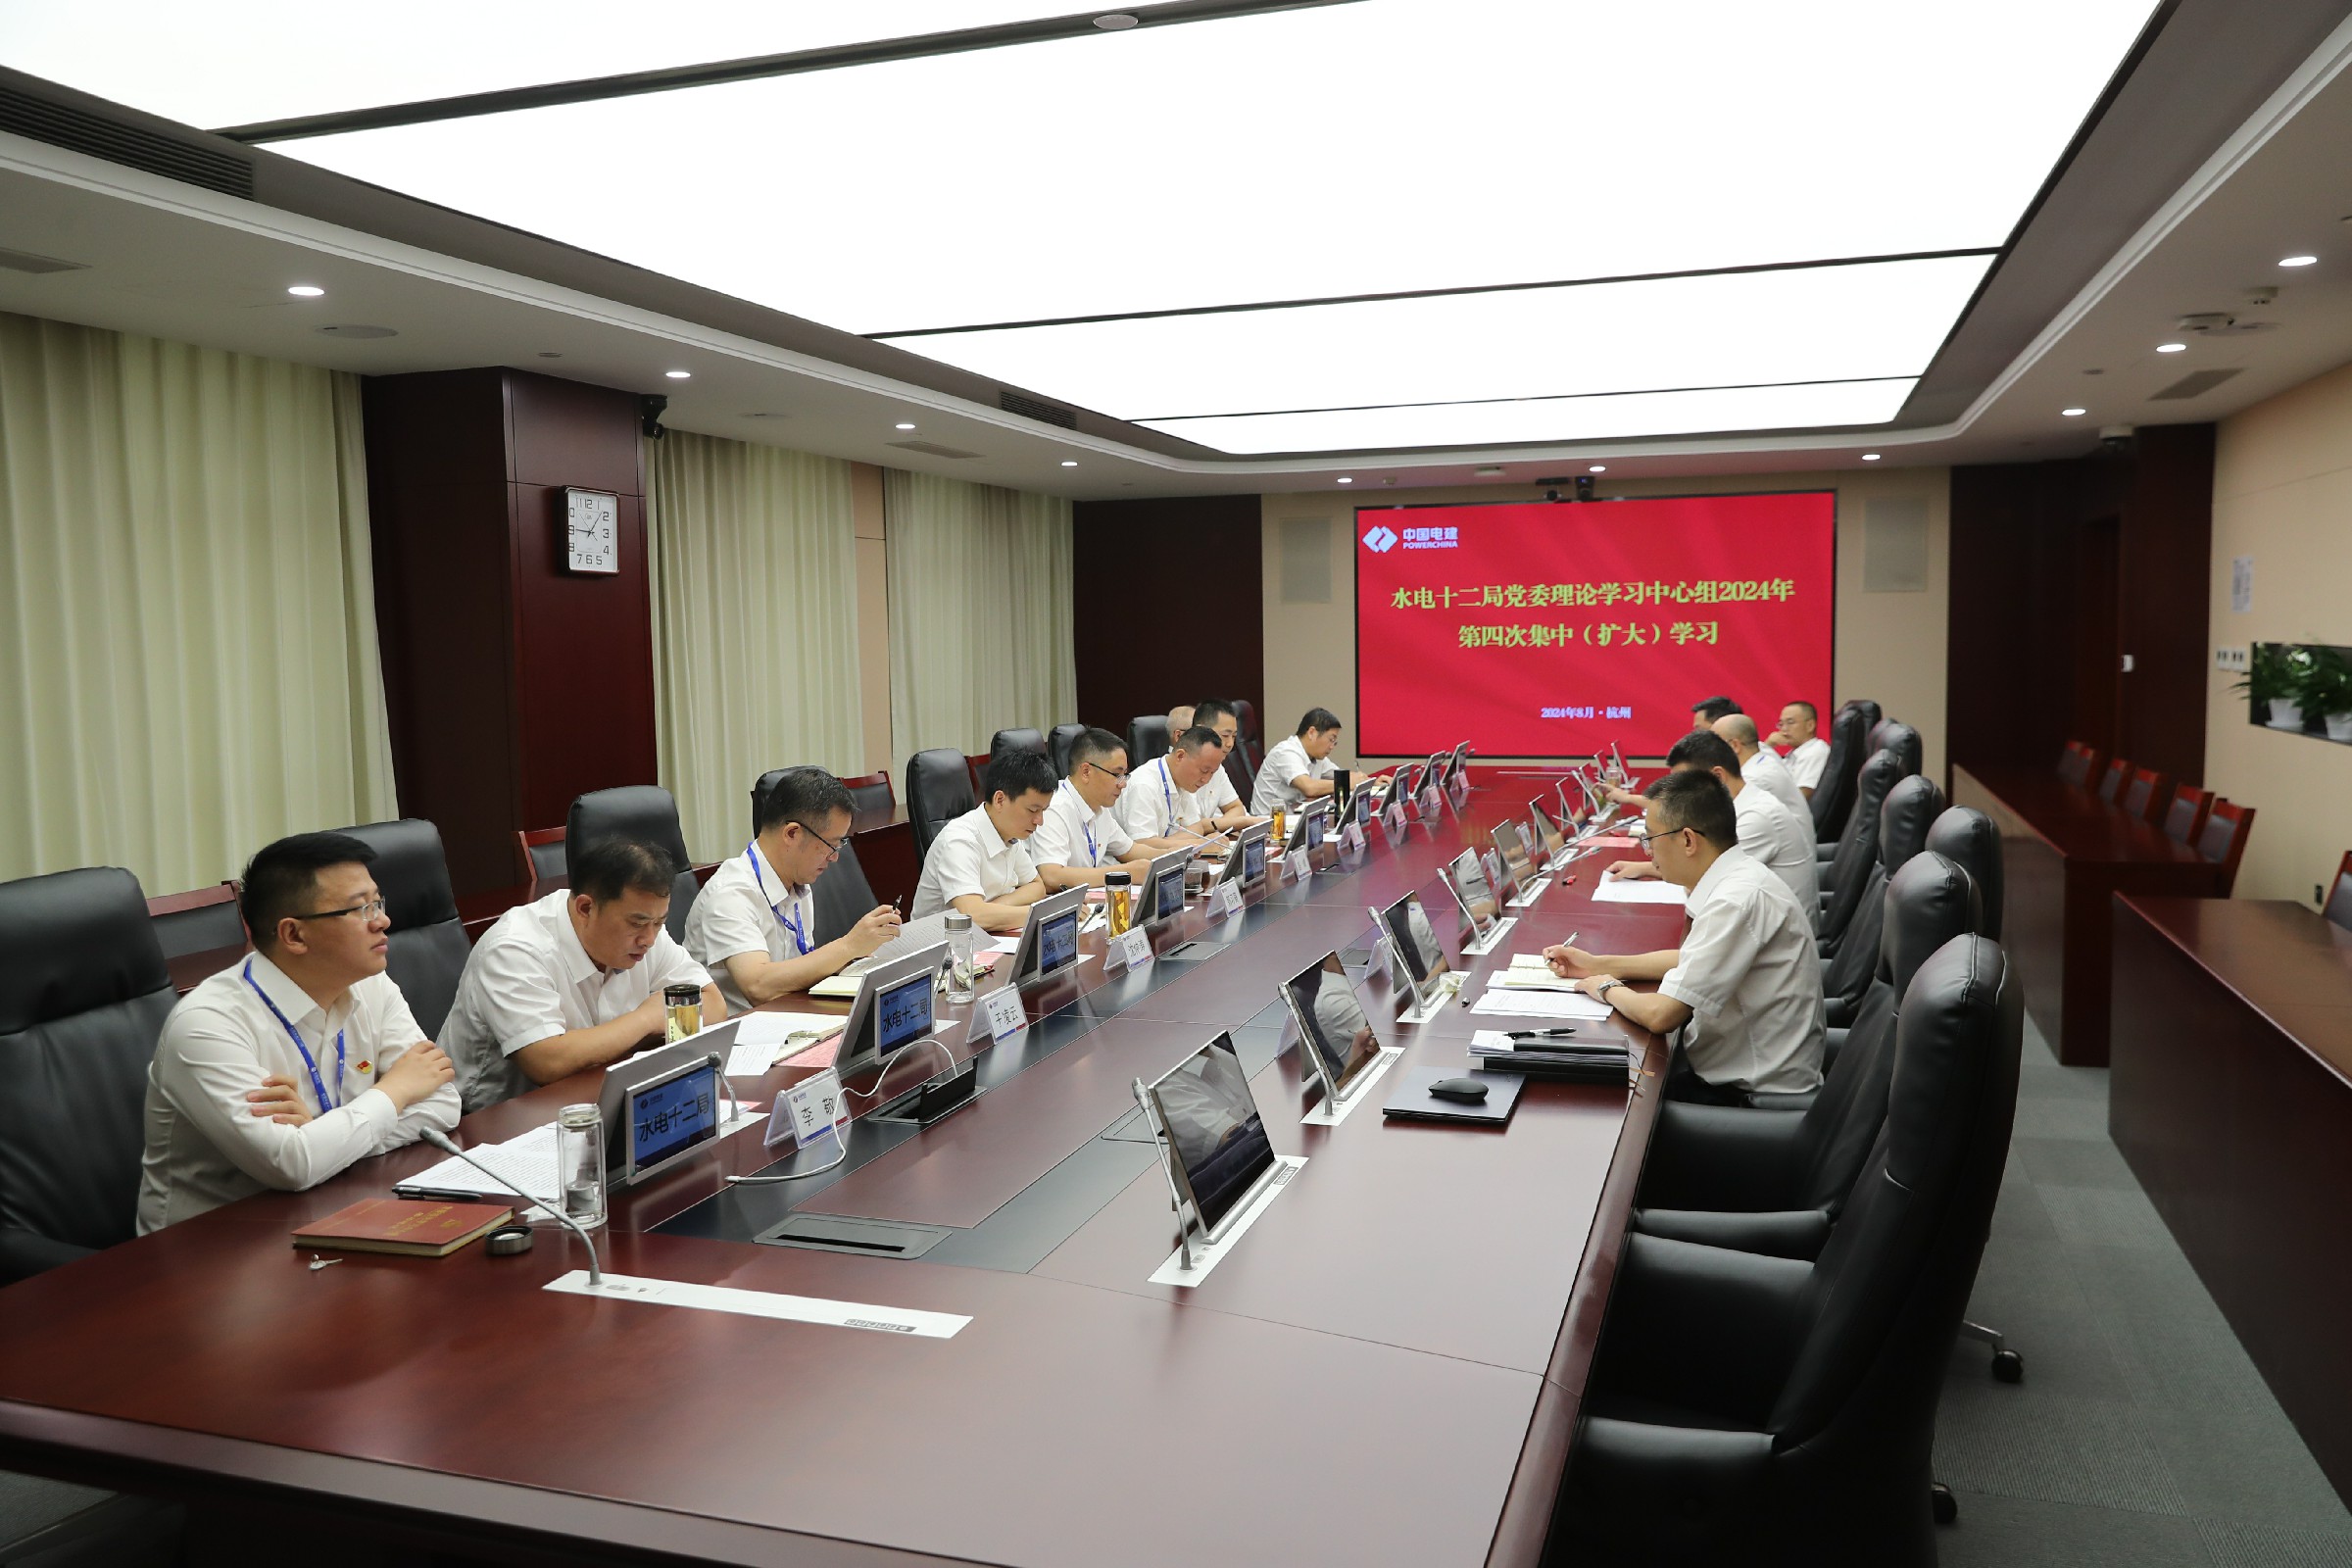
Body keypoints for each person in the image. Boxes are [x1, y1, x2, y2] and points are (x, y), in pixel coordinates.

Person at [137, 832, 461, 1232]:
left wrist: (324, 1137)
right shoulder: (207, 1025)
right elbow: (290, 1165)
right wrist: (394, 1091)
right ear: (293, 935)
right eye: (360, 909)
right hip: (215, 1245)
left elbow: (443, 1103)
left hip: (332, 1211)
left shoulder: (370, 983)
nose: (382, 921)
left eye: (378, 902)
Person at [1544, 770, 1824, 1103]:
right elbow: (1691, 957)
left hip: (1751, 1095)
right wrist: (1597, 964)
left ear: (1688, 840)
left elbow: (1661, 1015)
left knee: (1597, 1098)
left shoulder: (1734, 900)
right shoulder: (1739, 877)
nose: (1648, 852)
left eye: (1650, 838)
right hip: (1738, 1071)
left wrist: (1604, 987)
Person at [443, 839, 723, 1112]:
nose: (649, 939)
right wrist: (648, 1018)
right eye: (637, 924)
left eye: (659, 922)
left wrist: (640, 1027)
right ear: (585, 908)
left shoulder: (647, 930)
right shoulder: (514, 948)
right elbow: (546, 1061)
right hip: (492, 1118)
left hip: (597, 1095)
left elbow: (713, 1005)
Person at [686, 766, 902, 1011]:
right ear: (792, 833)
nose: (834, 858)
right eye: (831, 845)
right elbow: (758, 987)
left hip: (791, 1014)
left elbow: (798, 969)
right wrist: (848, 946)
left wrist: (848, 960)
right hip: (744, 1029)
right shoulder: (730, 893)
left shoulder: (797, 881)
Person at [1602, 730, 1817, 912]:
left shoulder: (1756, 818)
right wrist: (1646, 868)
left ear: (1717, 777)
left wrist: (1652, 867)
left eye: (1684, 786)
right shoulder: (1740, 803)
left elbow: (1706, 880)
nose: (1676, 797)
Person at [910, 749, 1054, 930]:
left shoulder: (1009, 832)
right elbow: (973, 917)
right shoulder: (959, 841)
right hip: (937, 943)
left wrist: (994, 907)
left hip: (983, 937)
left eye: (1043, 811)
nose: (1039, 821)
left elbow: (1037, 887)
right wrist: (1043, 914)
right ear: (1000, 800)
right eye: (1033, 810)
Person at [1029, 728, 1157, 889]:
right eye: (1117, 775)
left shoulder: (1099, 807)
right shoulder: (1054, 807)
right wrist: (1125, 873)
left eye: (1125, 774)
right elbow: (1051, 876)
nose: (1123, 784)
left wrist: (1178, 854)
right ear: (1086, 772)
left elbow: (1131, 850)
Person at [1116, 725, 1231, 847]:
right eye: (1204, 771)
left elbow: (1196, 828)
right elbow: (1143, 844)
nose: (1206, 780)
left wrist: (1166, 843)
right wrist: (1201, 845)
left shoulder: (1183, 780)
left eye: (1212, 773)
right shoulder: (1144, 785)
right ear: (1180, 756)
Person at [1713, 712, 1808, 821]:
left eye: (1715, 744)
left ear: (1734, 745)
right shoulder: (1762, 760)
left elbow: (1721, 819)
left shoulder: (1755, 777)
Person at [1252, 708, 1346, 815]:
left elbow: (1343, 776)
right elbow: (1309, 788)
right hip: (1270, 821)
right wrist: (1344, 784)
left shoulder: (1317, 756)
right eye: (1331, 740)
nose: (1332, 746)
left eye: (1335, 742)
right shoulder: (1286, 752)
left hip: (1294, 817)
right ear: (1312, 733)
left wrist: (1357, 779)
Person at [1188, 698, 1263, 830]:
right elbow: (1193, 826)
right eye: (1225, 735)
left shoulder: (1218, 768)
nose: (1230, 744)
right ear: (1201, 731)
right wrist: (1237, 823)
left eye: (1233, 736)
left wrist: (1217, 829)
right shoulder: (1183, 768)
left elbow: (1237, 808)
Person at [1766, 700, 1832, 797]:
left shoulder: (1815, 751)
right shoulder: (1793, 754)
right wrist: (1768, 745)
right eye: (1781, 724)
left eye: (1790, 722)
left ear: (1810, 726)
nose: (1784, 729)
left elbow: (1802, 795)